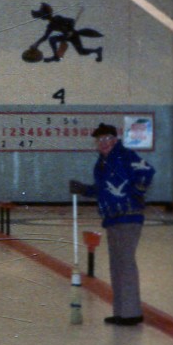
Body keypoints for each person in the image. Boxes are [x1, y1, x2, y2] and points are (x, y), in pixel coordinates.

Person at [68, 123, 156, 325]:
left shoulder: (125, 155)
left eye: (107, 139)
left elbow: (148, 171)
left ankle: (131, 313)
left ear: (115, 140)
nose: (103, 143)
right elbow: (103, 189)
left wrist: (138, 192)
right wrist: (84, 189)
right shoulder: (101, 163)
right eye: (99, 140)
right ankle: (121, 312)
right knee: (116, 265)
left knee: (125, 263)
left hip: (128, 217)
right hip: (112, 219)